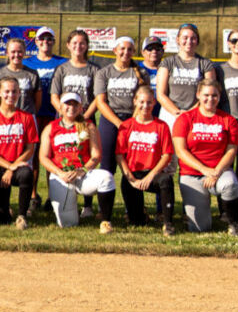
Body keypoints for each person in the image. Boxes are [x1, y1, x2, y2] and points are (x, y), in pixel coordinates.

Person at [171, 77, 238, 235]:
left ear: (219, 97)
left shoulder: (228, 120)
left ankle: (233, 223)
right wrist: (204, 169)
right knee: (199, 228)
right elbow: (180, 151)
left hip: (219, 172)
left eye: (214, 95)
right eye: (206, 95)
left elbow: (231, 151)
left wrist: (216, 171)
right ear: (198, 94)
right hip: (192, 174)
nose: (210, 99)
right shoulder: (185, 119)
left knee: (230, 184)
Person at [38, 91, 115, 230]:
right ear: (60, 107)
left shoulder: (88, 125)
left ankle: (106, 221)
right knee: (67, 224)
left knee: (106, 177)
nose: (71, 108)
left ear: (81, 108)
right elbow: (43, 157)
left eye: (75, 104)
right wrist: (60, 173)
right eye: (67, 104)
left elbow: (96, 155)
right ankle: (72, 210)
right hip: (62, 176)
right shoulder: (51, 128)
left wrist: (82, 170)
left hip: (82, 174)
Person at [91, 36, 146, 224]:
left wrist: (133, 122)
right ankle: (104, 211)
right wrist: (119, 123)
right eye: (122, 49)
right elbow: (100, 101)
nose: (125, 52)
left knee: (132, 166)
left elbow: (144, 99)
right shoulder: (104, 72)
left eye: (130, 49)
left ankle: (133, 211)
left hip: (133, 120)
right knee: (107, 167)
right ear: (115, 50)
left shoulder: (139, 72)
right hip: (110, 121)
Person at [115, 85, 176, 236]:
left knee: (166, 180)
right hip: (134, 174)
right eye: (141, 102)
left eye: (149, 102)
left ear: (154, 103)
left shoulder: (161, 126)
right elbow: (119, 155)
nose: (145, 106)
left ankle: (168, 223)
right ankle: (140, 215)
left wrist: (150, 176)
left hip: (153, 174)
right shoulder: (126, 126)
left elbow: (167, 155)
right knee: (137, 222)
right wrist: (129, 177)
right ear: (135, 101)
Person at [0, 77, 39, 228]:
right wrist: (8, 166)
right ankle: (5, 211)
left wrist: (13, 166)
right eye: (6, 91)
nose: (10, 95)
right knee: (1, 218)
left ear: (19, 93)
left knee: (27, 173)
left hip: (19, 165)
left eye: (14, 91)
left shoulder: (26, 117)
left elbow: (30, 148)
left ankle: (21, 215)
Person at [155, 23, 213, 131]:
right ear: (178, 40)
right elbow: (160, 94)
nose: (189, 41)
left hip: (197, 113)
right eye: (185, 38)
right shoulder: (168, 62)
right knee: (169, 147)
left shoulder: (205, 64)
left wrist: (191, 112)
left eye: (193, 38)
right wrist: (177, 112)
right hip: (170, 114)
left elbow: (210, 93)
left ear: (198, 41)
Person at [48, 29, 100, 122]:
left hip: (85, 115)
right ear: (68, 45)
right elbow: (54, 97)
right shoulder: (61, 69)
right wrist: (64, 114)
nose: (78, 46)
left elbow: (98, 98)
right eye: (74, 43)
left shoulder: (94, 69)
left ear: (87, 45)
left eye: (82, 43)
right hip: (65, 115)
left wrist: (85, 117)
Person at [22, 26, 67, 129]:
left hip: (55, 112)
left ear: (54, 42)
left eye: (49, 39)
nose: (45, 41)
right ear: (36, 41)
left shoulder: (63, 63)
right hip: (32, 112)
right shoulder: (26, 63)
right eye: (42, 38)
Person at [0, 36, 40, 116]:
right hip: (5, 118)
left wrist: (30, 115)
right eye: (13, 52)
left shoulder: (32, 74)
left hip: (27, 117)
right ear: (7, 53)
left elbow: (37, 102)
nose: (16, 55)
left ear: (24, 52)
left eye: (20, 51)